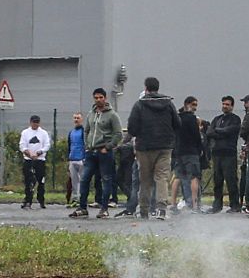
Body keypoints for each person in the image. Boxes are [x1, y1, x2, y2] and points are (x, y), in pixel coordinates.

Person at [126, 76, 177, 220]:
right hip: (165, 147)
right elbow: (177, 123)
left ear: (146, 88)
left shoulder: (139, 105)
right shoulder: (168, 104)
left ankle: (143, 210)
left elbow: (132, 127)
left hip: (145, 147)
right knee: (162, 178)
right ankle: (161, 209)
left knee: (145, 179)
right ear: (158, 87)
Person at [73, 88, 121, 218]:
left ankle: (104, 208)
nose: (98, 100)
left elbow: (118, 134)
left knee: (106, 179)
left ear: (105, 98)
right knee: (85, 179)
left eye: (101, 97)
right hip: (91, 152)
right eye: (96, 98)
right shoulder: (91, 114)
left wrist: (108, 147)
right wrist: (87, 145)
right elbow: (86, 130)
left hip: (104, 152)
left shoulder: (112, 115)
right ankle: (82, 207)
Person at [205, 95, 242, 214]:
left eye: (227, 104)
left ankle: (235, 205)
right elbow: (210, 132)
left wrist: (219, 131)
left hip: (229, 154)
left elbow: (230, 131)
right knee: (217, 180)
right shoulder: (217, 119)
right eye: (223, 104)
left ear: (232, 106)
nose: (225, 106)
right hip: (217, 153)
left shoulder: (235, 119)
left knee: (231, 180)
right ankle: (217, 205)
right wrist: (220, 132)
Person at [172, 96, 204, 211]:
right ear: (187, 104)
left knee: (178, 176)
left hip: (179, 151)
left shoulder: (177, 118)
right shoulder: (192, 119)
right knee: (194, 177)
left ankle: (173, 204)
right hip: (191, 152)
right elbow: (196, 136)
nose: (195, 107)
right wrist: (200, 148)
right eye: (194, 105)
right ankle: (195, 205)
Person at [18, 114, 51, 209]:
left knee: (41, 181)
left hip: (40, 160)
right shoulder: (25, 132)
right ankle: (27, 200)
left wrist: (39, 153)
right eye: (34, 122)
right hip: (28, 160)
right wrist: (28, 153)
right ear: (30, 122)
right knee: (28, 181)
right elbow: (22, 145)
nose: (35, 124)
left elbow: (47, 145)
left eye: (37, 122)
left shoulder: (43, 133)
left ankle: (41, 200)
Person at [66, 113, 85, 206]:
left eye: (78, 118)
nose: (76, 120)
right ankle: (75, 199)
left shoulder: (84, 132)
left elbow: (85, 144)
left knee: (82, 180)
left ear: (82, 120)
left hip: (81, 159)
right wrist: (68, 158)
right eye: (75, 118)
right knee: (74, 181)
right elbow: (69, 145)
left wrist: (85, 157)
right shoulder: (71, 132)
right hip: (72, 158)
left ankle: (82, 198)